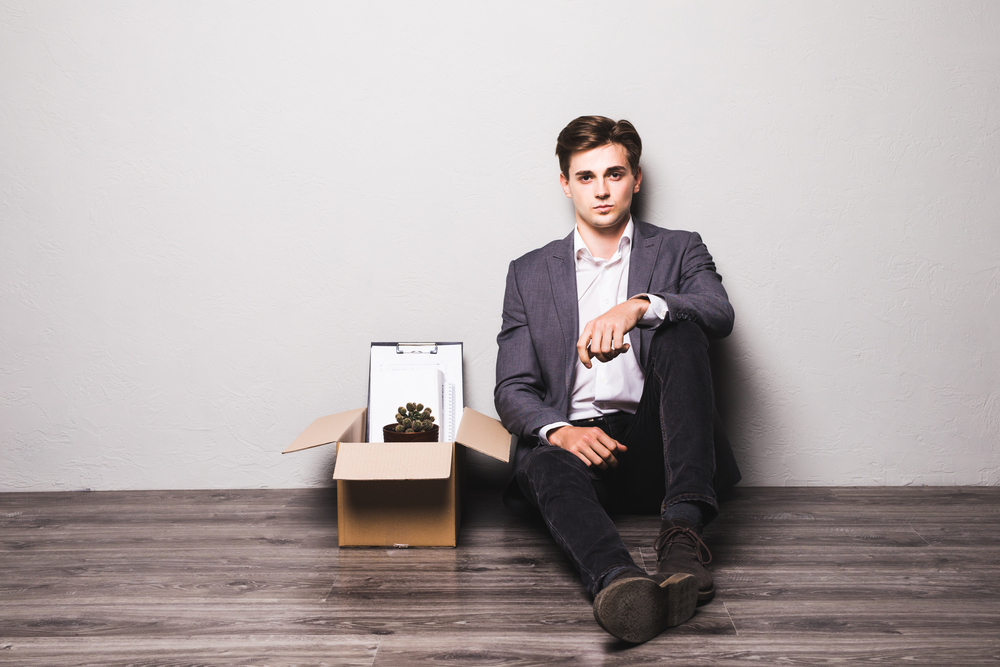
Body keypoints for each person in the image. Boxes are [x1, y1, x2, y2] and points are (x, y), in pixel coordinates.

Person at [494, 115, 741, 644]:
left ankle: (682, 538)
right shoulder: (528, 273)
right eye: (586, 177)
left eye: (614, 173)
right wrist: (561, 431)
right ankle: (622, 583)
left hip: (661, 446)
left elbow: (719, 313)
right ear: (565, 183)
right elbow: (512, 388)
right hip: (581, 452)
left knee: (681, 327)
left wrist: (640, 307)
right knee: (539, 457)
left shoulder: (678, 248)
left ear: (637, 178)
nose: (602, 190)